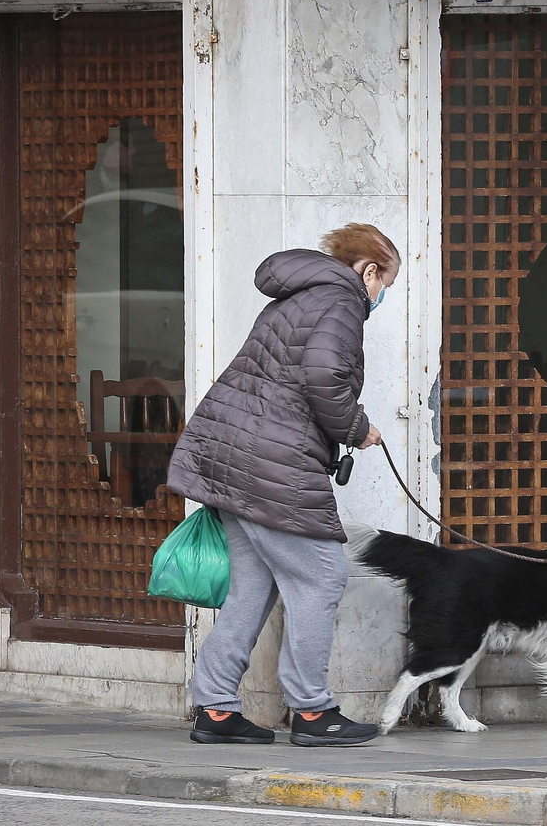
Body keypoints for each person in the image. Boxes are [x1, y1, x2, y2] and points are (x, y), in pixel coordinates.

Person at [166, 223, 399, 747]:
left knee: (254, 586)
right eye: (385, 281)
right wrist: (358, 428)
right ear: (367, 270)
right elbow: (322, 378)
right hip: (272, 463)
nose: (382, 294)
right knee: (321, 578)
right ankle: (313, 712)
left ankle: (217, 708)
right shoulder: (342, 301)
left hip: (236, 455)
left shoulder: (300, 296)